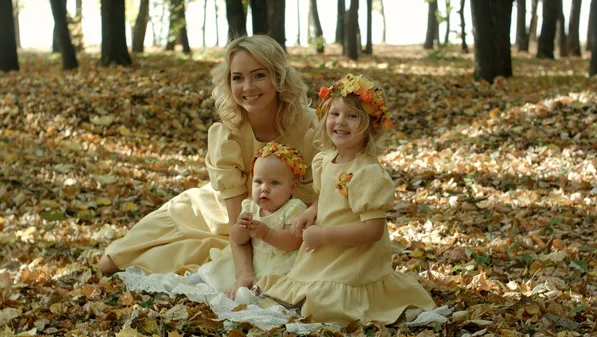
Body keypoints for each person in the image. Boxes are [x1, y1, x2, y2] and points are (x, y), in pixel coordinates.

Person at [97, 35, 319, 299]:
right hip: (223, 210)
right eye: (237, 78)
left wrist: (313, 210)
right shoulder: (226, 134)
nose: (248, 86)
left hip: (288, 220)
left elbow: (330, 187)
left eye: (259, 75)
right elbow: (236, 217)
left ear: (279, 77)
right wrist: (243, 273)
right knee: (109, 263)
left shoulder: (310, 125)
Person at [258, 74, 436, 324]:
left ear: (370, 126)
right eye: (335, 114)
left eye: (352, 116)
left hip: (355, 256)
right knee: (297, 289)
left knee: (326, 301)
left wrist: (324, 235)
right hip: (327, 250)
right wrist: (312, 212)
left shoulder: (367, 172)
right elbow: (327, 197)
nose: (341, 122)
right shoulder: (326, 160)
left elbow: (373, 230)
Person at [194, 142, 307, 301]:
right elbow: (238, 239)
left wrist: (267, 234)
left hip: (280, 265)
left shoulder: (293, 208)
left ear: (293, 187)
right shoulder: (250, 207)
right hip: (254, 261)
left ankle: (251, 299)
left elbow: (294, 241)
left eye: (274, 183)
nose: (264, 189)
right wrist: (240, 228)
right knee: (221, 270)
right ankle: (198, 282)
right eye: (259, 182)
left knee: (272, 288)